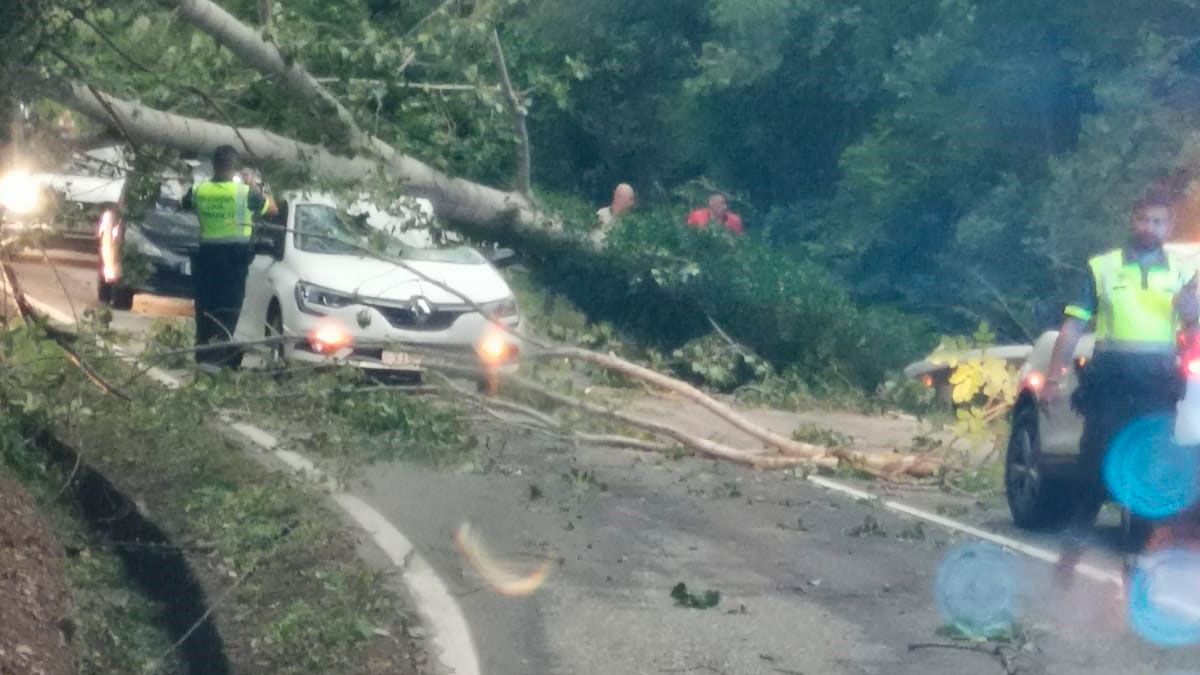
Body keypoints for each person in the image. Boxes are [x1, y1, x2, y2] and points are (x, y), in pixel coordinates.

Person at [1045, 186, 1199, 585]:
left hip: (1159, 385)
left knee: (1148, 477)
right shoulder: (1103, 267)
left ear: (1169, 226)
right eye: (1144, 219)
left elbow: (1195, 324)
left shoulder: (1184, 270)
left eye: (1159, 221)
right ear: (1133, 220)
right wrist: (1053, 376)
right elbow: (1075, 323)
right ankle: (1071, 554)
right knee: (1095, 471)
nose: (1151, 227)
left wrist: (1192, 309)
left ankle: (1135, 568)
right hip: (1110, 382)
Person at [182, 145, 278, 369]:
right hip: (233, 264)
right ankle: (215, 365)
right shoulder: (244, 193)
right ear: (234, 167)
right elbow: (272, 208)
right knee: (227, 314)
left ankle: (203, 359)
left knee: (205, 312)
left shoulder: (200, 190)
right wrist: (253, 184)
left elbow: (184, 203)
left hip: (206, 262)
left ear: (214, 165)